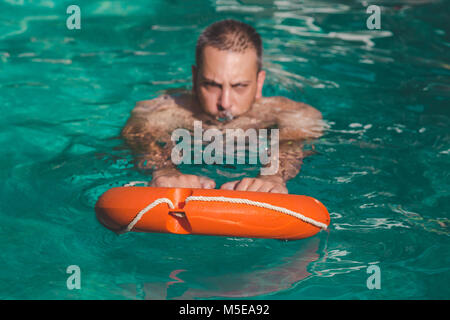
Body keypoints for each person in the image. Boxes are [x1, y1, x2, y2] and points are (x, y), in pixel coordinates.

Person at [121, 19, 325, 194]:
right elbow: (140, 132)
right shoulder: (169, 109)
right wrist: (164, 170)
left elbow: (297, 137)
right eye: (212, 85)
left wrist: (274, 176)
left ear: (259, 82)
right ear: (194, 78)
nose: (224, 102)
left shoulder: (285, 112)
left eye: (240, 86)